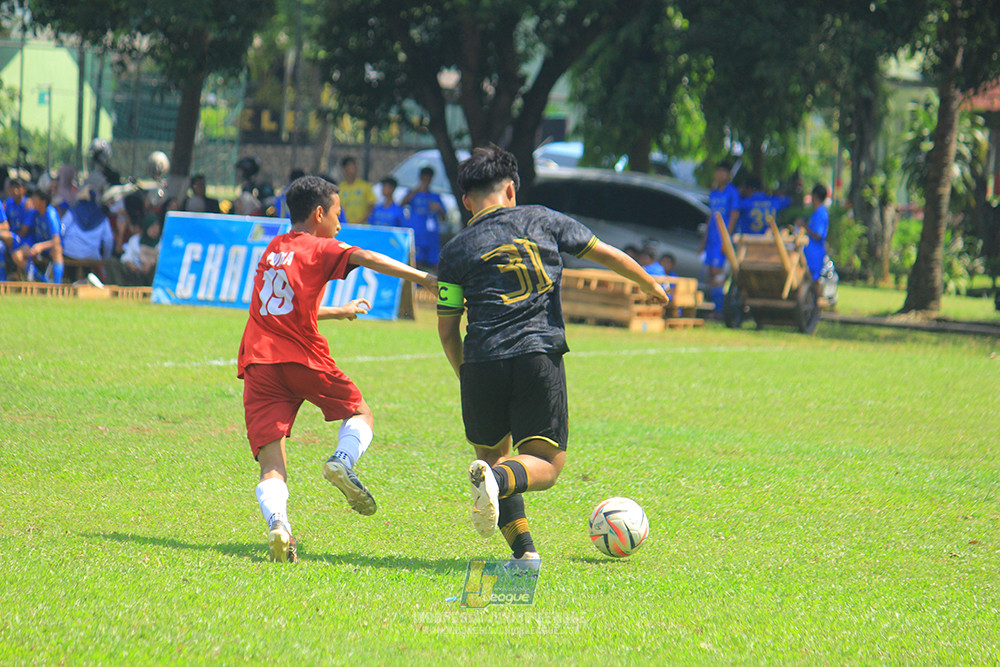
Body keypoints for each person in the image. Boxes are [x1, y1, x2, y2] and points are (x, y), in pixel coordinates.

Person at [436, 145, 668, 564]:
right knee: (545, 464)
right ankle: (499, 479)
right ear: (511, 190)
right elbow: (607, 254)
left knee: (490, 455)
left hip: (481, 360)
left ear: (467, 202)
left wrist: (464, 373)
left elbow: (447, 329)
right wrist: (648, 283)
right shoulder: (542, 219)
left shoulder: (454, 251)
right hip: (536, 355)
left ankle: (524, 554)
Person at [237, 175, 436, 563]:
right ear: (318, 214)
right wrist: (425, 278)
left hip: (259, 363)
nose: (340, 224)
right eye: (337, 214)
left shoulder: (273, 249)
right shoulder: (321, 246)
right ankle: (342, 462)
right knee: (361, 413)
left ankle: (279, 523)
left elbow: (276, 308)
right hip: (302, 359)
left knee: (272, 464)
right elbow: (371, 259)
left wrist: (336, 310)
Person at [703, 161, 740, 312]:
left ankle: (720, 310)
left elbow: (734, 214)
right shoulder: (713, 193)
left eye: (722, 172)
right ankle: (716, 307)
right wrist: (703, 241)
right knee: (711, 272)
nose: (719, 175)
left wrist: (727, 238)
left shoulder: (732, 192)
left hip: (722, 238)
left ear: (729, 175)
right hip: (712, 238)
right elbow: (710, 216)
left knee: (718, 272)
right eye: (717, 171)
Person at [12, 187, 64, 283]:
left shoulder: (50, 214)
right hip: (35, 244)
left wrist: (41, 246)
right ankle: (43, 280)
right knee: (17, 255)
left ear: (43, 202)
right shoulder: (34, 211)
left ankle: (57, 286)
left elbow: (56, 240)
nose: (32, 200)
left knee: (57, 250)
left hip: (48, 246)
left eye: (35, 198)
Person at [401, 166, 446, 266]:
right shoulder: (413, 194)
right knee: (417, 262)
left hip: (431, 235)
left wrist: (439, 208)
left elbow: (444, 217)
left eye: (428, 179)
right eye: (424, 178)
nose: (426, 181)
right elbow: (401, 204)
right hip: (418, 234)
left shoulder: (435, 196)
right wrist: (417, 190)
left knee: (435, 263)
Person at [799, 183, 830, 287]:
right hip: (810, 251)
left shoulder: (821, 213)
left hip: (815, 253)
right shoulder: (816, 212)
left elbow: (817, 235)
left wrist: (804, 226)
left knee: (814, 281)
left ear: (815, 196)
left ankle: (817, 302)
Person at [337, 156, 375, 225]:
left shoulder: (365, 186)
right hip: (346, 226)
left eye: (354, 166)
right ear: (344, 169)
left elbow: (371, 205)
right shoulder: (340, 188)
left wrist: (362, 220)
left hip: (362, 226)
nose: (353, 168)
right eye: (350, 166)